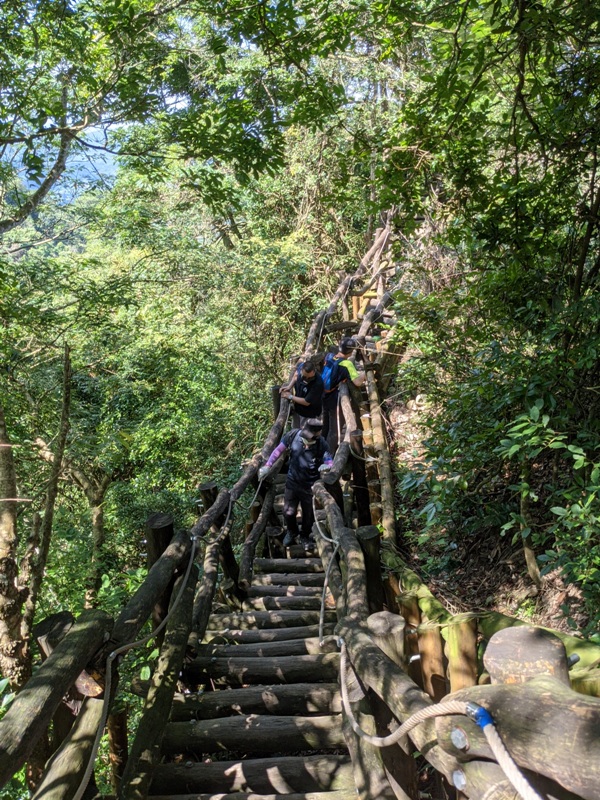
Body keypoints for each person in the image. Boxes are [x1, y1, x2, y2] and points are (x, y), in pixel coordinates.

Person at [259, 418, 332, 549]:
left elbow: (328, 459)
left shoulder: (321, 443)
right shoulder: (293, 435)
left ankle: (305, 536)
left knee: (308, 515)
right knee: (288, 512)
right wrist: (267, 465)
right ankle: (292, 532)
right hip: (292, 481)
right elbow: (278, 450)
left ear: (318, 434)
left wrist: (327, 465)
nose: (307, 440)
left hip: (310, 485)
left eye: (310, 438)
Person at [321, 337, 366, 453]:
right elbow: (358, 382)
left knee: (325, 425)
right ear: (351, 352)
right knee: (334, 429)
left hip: (322, 394)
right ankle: (329, 457)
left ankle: (319, 451)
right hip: (333, 398)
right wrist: (366, 372)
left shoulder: (329, 356)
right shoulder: (347, 364)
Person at [279, 359, 324, 428]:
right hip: (298, 410)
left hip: (310, 414)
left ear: (314, 372)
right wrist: (289, 387)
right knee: (295, 431)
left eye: (309, 377)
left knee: (305, 436)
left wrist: (290, 396)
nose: (306, 378)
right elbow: (295, 376)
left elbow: (306, 402)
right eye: (305, 376)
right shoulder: (300, 368)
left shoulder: (318, 383)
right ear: (302, 370)